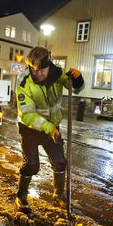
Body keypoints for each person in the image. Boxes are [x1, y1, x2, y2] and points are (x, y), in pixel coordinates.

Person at [15, 46, 84, 213]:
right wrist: (49, 128)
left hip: (53, 128)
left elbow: (75, 88)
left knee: (60, 162)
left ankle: (59, 195)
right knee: (32, 165)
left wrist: (77, 79)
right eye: (33, 69)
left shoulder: (58, 74)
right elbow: (28, 114)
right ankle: (21, 197)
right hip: (30, 128)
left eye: (41, 70)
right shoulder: (23, 81)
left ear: (49, 66)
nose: (37, 73)